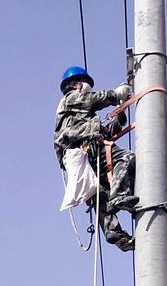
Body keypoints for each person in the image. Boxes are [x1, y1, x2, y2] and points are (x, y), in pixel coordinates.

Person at [53, 65, 138, 252]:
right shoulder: (71, 99)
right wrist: (117, 94)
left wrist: (119, 117)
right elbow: (95, 99)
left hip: (80, 156)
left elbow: (103, 133)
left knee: (99, 193)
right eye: (85, 84)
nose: (87, 87)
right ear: (75, 84)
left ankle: (113, 231)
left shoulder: (79, 116)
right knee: (127, 158)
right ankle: (120, 195)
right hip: (85, 149)